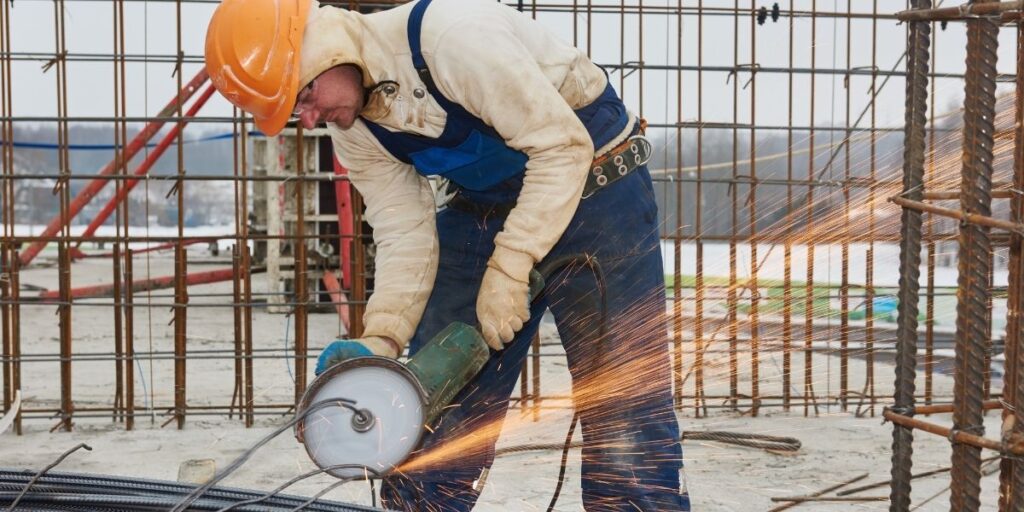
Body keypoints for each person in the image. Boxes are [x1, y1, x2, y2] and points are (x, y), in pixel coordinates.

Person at [205, 0, 690, 509]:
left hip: (597, 184)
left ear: (326, 50)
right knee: (432, 395)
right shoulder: (354, 128)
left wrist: (511, 265)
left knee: (623, 401)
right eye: (291, 112)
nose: (308, 119)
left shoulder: (451, 38)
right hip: (488, 204)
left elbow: (561, 148)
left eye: (304, 95)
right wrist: (382, 339)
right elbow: (402, 227)